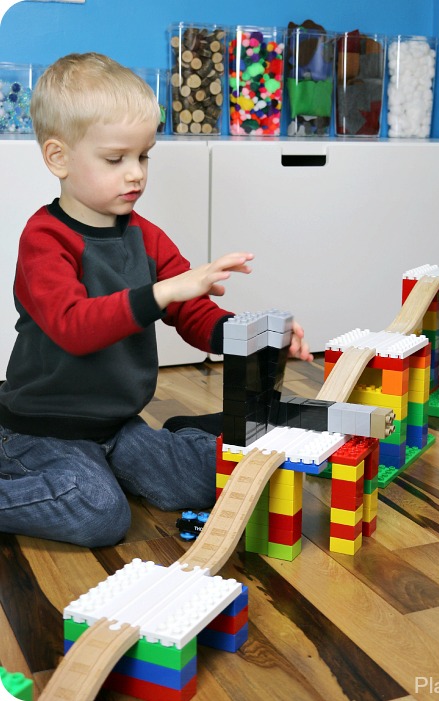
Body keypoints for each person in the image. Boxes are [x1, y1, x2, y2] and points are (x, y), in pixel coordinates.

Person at [0, 53, 312, 548]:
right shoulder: (44, 239)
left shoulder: (145, 236)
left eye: (143, 156)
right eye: (115, 159)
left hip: (118, 423)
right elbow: (75, 328)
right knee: (100, 517)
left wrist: (250, 338)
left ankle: (166, 441)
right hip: (46, 429)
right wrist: (165, 291)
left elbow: (192, 311)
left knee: (205, 478)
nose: (135, 174)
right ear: (58, 157)